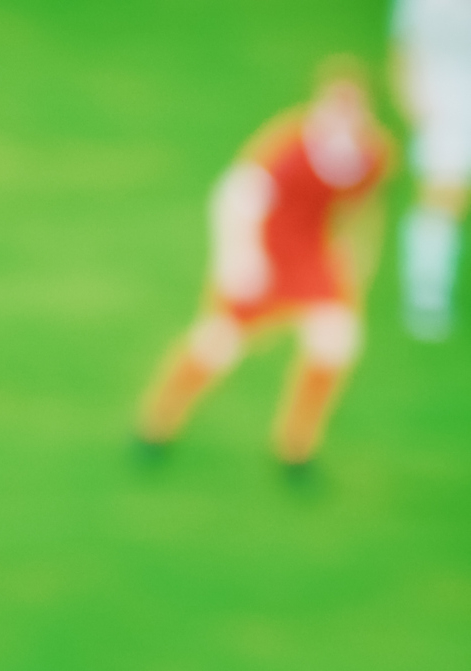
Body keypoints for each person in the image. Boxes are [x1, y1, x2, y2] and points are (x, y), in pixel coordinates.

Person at [136, 63, 391, 467]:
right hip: (265, 253)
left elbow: (363, 208)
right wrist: (240, 261)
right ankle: (156, 427)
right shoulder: (290, 147)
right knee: (218, 343)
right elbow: (235, 199)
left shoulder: (370, 154)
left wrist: (354, 262)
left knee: (335, 339)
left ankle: (297, 447)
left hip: (311, 256)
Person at [395, 0, 471, 339]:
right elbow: (404, 51)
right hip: (444, 106)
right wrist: (415, 105)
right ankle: (426, 290)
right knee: (443, 195)